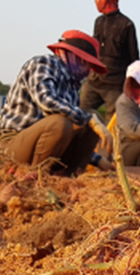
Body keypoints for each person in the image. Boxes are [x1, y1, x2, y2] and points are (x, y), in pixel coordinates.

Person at [0, 30, 113, 176]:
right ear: (79, 59)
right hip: (14, 144)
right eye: (87, 65)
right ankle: (37, 175)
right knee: (61, 123)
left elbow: (70, 131)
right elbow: (47, 101)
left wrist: (98, 160)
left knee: (89, 119)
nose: (89, 72)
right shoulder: (43, 64)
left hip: (45, 148)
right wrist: (90, 119)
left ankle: (68, 177)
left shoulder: (71, 88)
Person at [80, 0, 139, 121]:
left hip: (115, 83)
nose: (95, 2)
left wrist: (133, 83)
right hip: (93, 80)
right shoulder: (99, 21)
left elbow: (134, 57)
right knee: (80, 113)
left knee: (114, 123)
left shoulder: (126, 24)